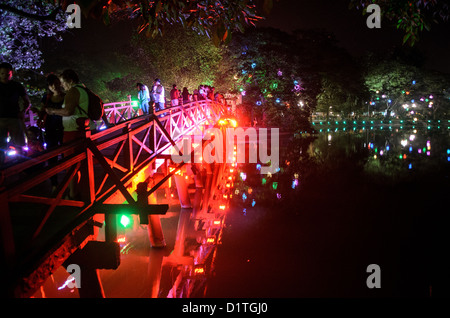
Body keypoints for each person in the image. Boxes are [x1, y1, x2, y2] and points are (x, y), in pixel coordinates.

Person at [46, 69, 96, 199]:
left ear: (70, 80)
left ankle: (73, 194)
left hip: (73, 131)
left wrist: (52, 111)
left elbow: (68, 111)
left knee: (71, 164)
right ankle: (84, 191)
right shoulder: (83, 89)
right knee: (82, 163)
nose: (61, 85)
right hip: (82, 130)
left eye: (62, 82)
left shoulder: (73, 91)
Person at [0, 62, 30, 165]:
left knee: (19, 145)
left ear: (11, 74)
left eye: (7, 74)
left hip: (14, 118)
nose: (5, 76)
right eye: (2, 74)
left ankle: (20, 167)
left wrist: (23, 111)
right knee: (1, 147)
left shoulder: (17, 86)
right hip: (1, 119)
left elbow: (27, 102)